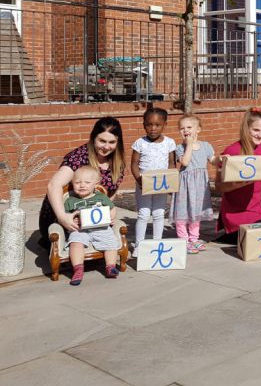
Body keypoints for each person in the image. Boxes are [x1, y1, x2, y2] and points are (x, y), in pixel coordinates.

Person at [39, 117, 126, 250]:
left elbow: (110, 193)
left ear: (118, 142)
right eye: (102, 140)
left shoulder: (117, 162)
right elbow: (53, 185)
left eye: (112, 142)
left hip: (91, 220)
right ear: (93, 138)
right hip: (64, 216)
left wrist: (106, 215)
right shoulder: (79, 156)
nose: (106, 147)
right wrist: (63, 217)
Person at [215, 107, 261, 244]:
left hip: (257, 209)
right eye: (256, 130)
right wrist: (238, 184)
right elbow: (219, 187)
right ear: (246, 129)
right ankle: (231, 236)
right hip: (237, 213)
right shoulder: (232, 150)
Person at [63, 166, 120, 285]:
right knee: (75, 243)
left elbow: (112, 208)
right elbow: (65, 217)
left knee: (111, 243)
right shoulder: (71, 200)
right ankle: (78, 269)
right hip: (81, 230)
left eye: (87, 182)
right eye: (77, 182)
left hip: (101, 228)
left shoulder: (101, 197)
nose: (82, 185)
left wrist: (111, 217)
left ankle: (110, 266)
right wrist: (73, 220)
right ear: (72, 183)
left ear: (96, 184)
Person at [131, 108, 176, 254]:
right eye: (149, 125)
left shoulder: (169, 143)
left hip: (161, 185)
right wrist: (139, 180)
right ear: (144, 125)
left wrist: (169, 181)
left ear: (165, 125)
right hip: (143, 184)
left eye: (157, 125)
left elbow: (171, 163)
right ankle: (139, 245)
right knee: (143, 214)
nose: (153, 128)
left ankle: (157, 243)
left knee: (158, 213)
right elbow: (134, 164)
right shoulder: (140, 143)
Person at [173, 115, 216, 255]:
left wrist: (221, 159)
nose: (185, 130)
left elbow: (213, 160)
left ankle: (194, 238)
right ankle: (183, 240)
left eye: (189, 127)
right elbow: (185, 162)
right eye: (182, 128)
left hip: (199, 185)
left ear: (198, 130)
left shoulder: (206, 146)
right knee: (182, 211)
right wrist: (189, 144)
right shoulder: (180, 147)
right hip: (185, 185)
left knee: (196, 212)